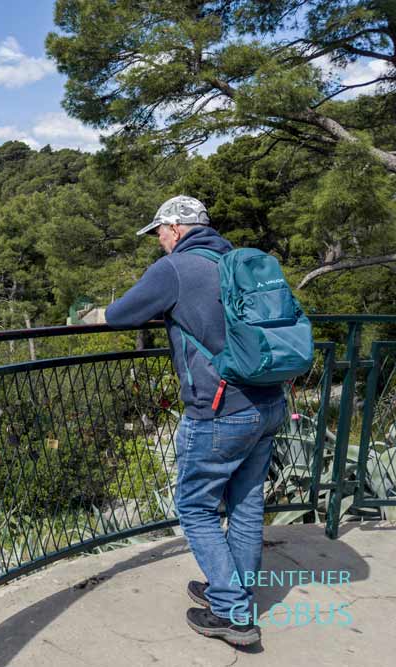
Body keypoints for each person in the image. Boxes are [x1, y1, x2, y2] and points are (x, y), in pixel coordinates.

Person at [104, 195, 288, 646]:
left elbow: (117, 315)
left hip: (221, 410)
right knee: (245, 504)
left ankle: (232, 613)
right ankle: (237, 591)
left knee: (195, 507)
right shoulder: (241, 261)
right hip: (268, 402)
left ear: (174, 227)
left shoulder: (176, 269)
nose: (158, 243)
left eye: (159, 234)